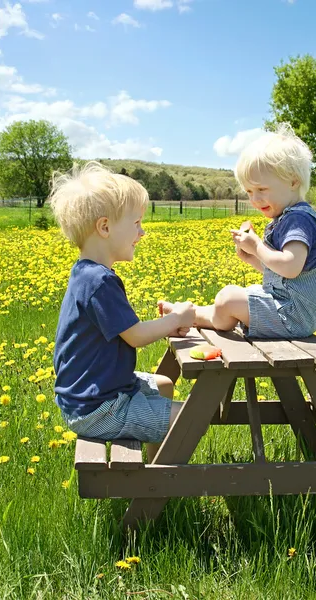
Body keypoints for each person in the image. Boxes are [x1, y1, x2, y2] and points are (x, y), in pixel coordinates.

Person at [50, 162, 195, 461]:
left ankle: (157, 465)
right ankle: (157, 485)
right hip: (98, 408)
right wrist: (176, 320)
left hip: (89, 395)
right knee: (193, 416)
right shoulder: (100, 281)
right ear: (104, 227)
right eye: (137, 223)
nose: (141, 232)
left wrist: (169, 324)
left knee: (165, 384)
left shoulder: (85, 273)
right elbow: (136, 336)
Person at [159, 124, 316, 339]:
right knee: (229, 299)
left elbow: (290, 267)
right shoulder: (289, 217)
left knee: (228, 298)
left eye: (261, 189)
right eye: (249, 191)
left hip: (291, 316)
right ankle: (186, 315)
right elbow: (284, 276)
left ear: (293, 181)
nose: (255, 199)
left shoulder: (298, 220)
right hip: (287, 309)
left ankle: (190, 316)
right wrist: (251, 257)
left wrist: (257, 246)